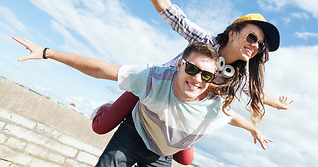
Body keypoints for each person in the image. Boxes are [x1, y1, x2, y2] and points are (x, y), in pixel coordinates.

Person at [91, 0, 294, 136]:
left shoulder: (237, 75)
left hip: (180, 112)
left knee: (185, 159)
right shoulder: (205, 41)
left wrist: (279, 104)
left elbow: (257, 93)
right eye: (251, 37)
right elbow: (170, 13)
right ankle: (111, 106)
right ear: (233, 33)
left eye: (260, 45)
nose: (255, 45)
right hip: (157, 90)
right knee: (102, 126)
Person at [13, 37, 272, 167]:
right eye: (192, 70)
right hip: (136, 132)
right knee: (105, 127)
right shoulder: (154, 77)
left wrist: (254, 128)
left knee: (187, 158)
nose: (197, 80)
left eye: (206, 75)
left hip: (163, 150)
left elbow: (233, 117)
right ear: (180, 65)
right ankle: (103, 110)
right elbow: (102, 69)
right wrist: (48, 53)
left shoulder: (213, 105)